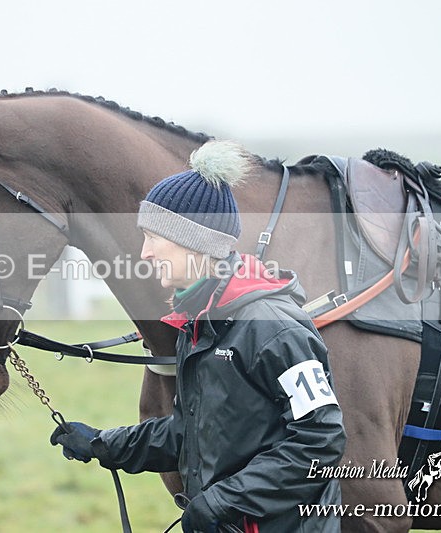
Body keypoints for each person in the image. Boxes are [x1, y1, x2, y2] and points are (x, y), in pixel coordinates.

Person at [50, 140, 347, 532]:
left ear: (195, 242)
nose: (145, 253)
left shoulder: (272, 326)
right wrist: (103, 444)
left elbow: (320, 441)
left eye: (154, 238)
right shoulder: (201, 322)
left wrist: (224, 502)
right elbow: (190, 431)